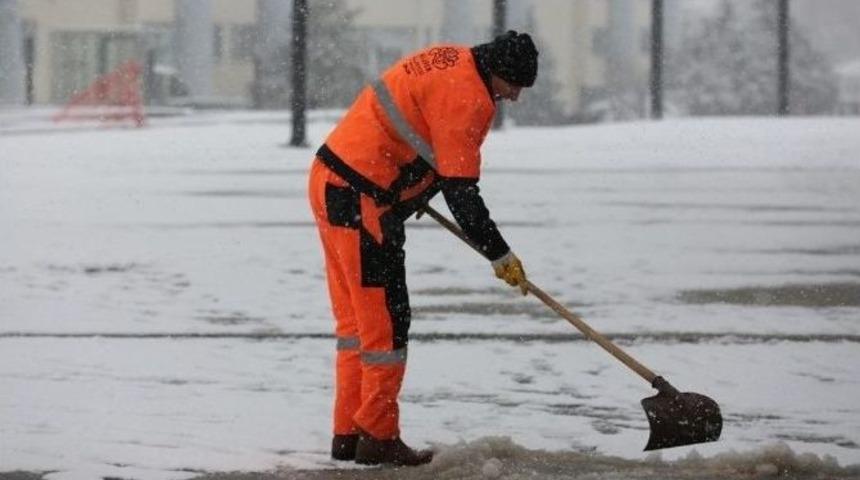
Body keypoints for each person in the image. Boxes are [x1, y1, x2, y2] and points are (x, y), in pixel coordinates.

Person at [308, 31, 538, 466]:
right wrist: (500, 255)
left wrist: (411, 191)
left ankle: (348, 433)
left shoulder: (448, 58)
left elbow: (413, 130)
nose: (517, 97)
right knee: (387, 326)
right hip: (362, 197)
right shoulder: (470, 97)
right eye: (516, 87)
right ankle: (376, 435)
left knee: (357, 325)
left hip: (331, 179)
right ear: (500, 73)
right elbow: (462, 194)